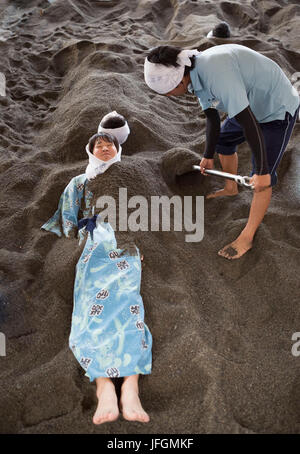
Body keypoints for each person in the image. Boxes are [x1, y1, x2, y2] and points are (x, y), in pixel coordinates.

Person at [41, 112, 152, 425]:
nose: (105, 148)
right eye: (99, 145)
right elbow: (65, 221)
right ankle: (104, 387)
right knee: (91, 308)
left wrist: (138, 246)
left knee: (129, 302)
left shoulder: (128, 178)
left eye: (110, 145)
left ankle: (130, 386)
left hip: (125, 246)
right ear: (90, 150)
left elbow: (143, 215)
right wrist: (75, 242)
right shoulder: (79, 183)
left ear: (119, 151)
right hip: (92, 247)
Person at [144, 44, 300, 259]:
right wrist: (208, 155)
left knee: (263, 179)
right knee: (223, 140)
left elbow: (249, 123)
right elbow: (212, 117)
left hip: (276, 109)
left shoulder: (216, 72)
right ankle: (231, 187)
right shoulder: (194, 72)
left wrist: (263, 170)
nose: (171, 96)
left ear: (180, 80)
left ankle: (248, 236)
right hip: (249, 103)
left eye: (169, 92)